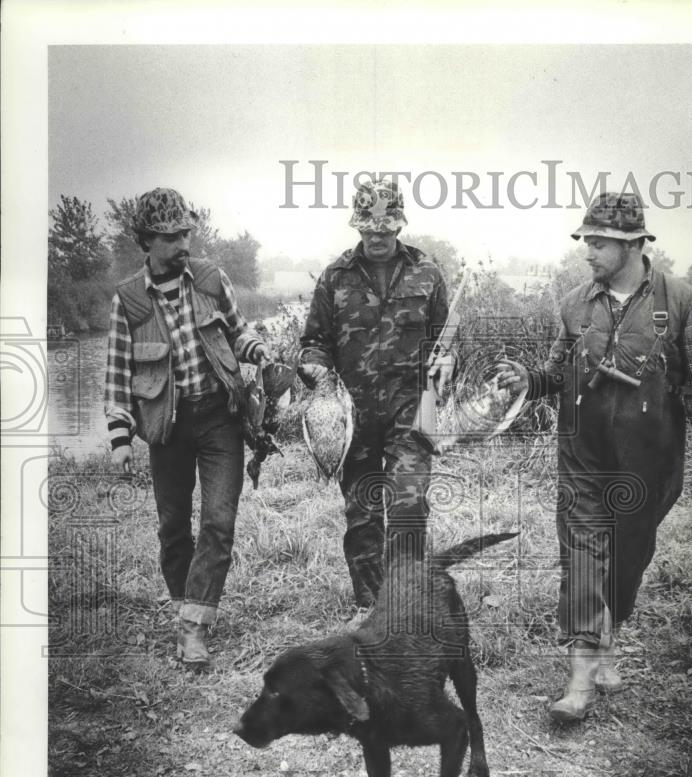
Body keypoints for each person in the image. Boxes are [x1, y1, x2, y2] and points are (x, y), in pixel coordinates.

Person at [498, 193, 692, 722]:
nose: (587, 251)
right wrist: (526, 380)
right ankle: (579, 682)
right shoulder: (576, 303)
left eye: (598, 242)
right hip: (583, 455)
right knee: (582, 557)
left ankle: (610, 636)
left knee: (628, 558)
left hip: (649, 460)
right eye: (585, 241)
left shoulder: (677, 301)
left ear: (631, 245)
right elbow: (556, 374)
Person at [104, 187, 271, 667]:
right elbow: (116, 376)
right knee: (173, 529)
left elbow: (239, 330)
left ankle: (193, 629)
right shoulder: (129, 301)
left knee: (219, 522)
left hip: (221, 418)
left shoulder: (211, 279)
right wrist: (119, 438)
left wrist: (255, 348)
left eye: (186, 233)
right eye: (172, 236)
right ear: (147, 241)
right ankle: (185, 607)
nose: (183, 244)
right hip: (166, 429)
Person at [298, 178, 450, 619]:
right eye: (369, 229)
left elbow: (447, 339)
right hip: (352, 413)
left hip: (409, 408)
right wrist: (313, 366)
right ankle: (370, 605)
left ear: (400, 224)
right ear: (358, 227)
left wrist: (450, 360)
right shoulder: (335, 276)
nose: (378, 237)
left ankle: (404, 598)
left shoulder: (428, 273)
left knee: (409, 500)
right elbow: (313, 342)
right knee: (362, 510)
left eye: (386, 229)